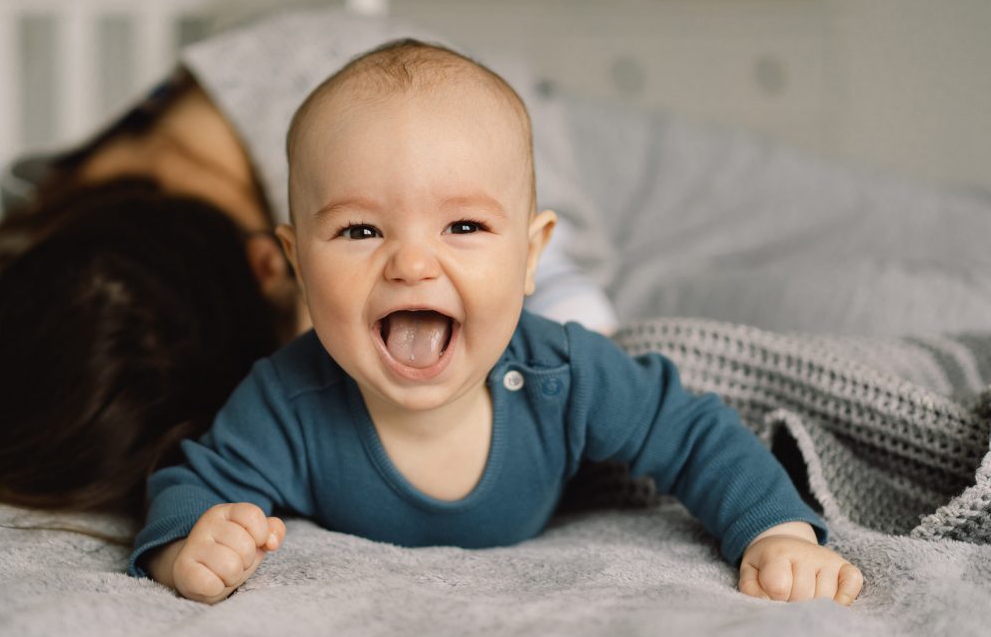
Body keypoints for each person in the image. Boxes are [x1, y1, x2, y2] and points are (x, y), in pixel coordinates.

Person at [0, 9, 616, 518]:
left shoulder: (327, 101)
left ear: (272, 268)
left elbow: (539, 213)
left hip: (593, 148)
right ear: (284, 259)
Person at [131, 40, 864, 606]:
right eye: (360, 231)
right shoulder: (287, 402)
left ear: (530, 255)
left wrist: (776, 532)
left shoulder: (562, 375)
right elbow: (192, 481)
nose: (412, 265)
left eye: (464, 226)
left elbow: (695, 433)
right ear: (296, 261)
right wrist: (189, 545)